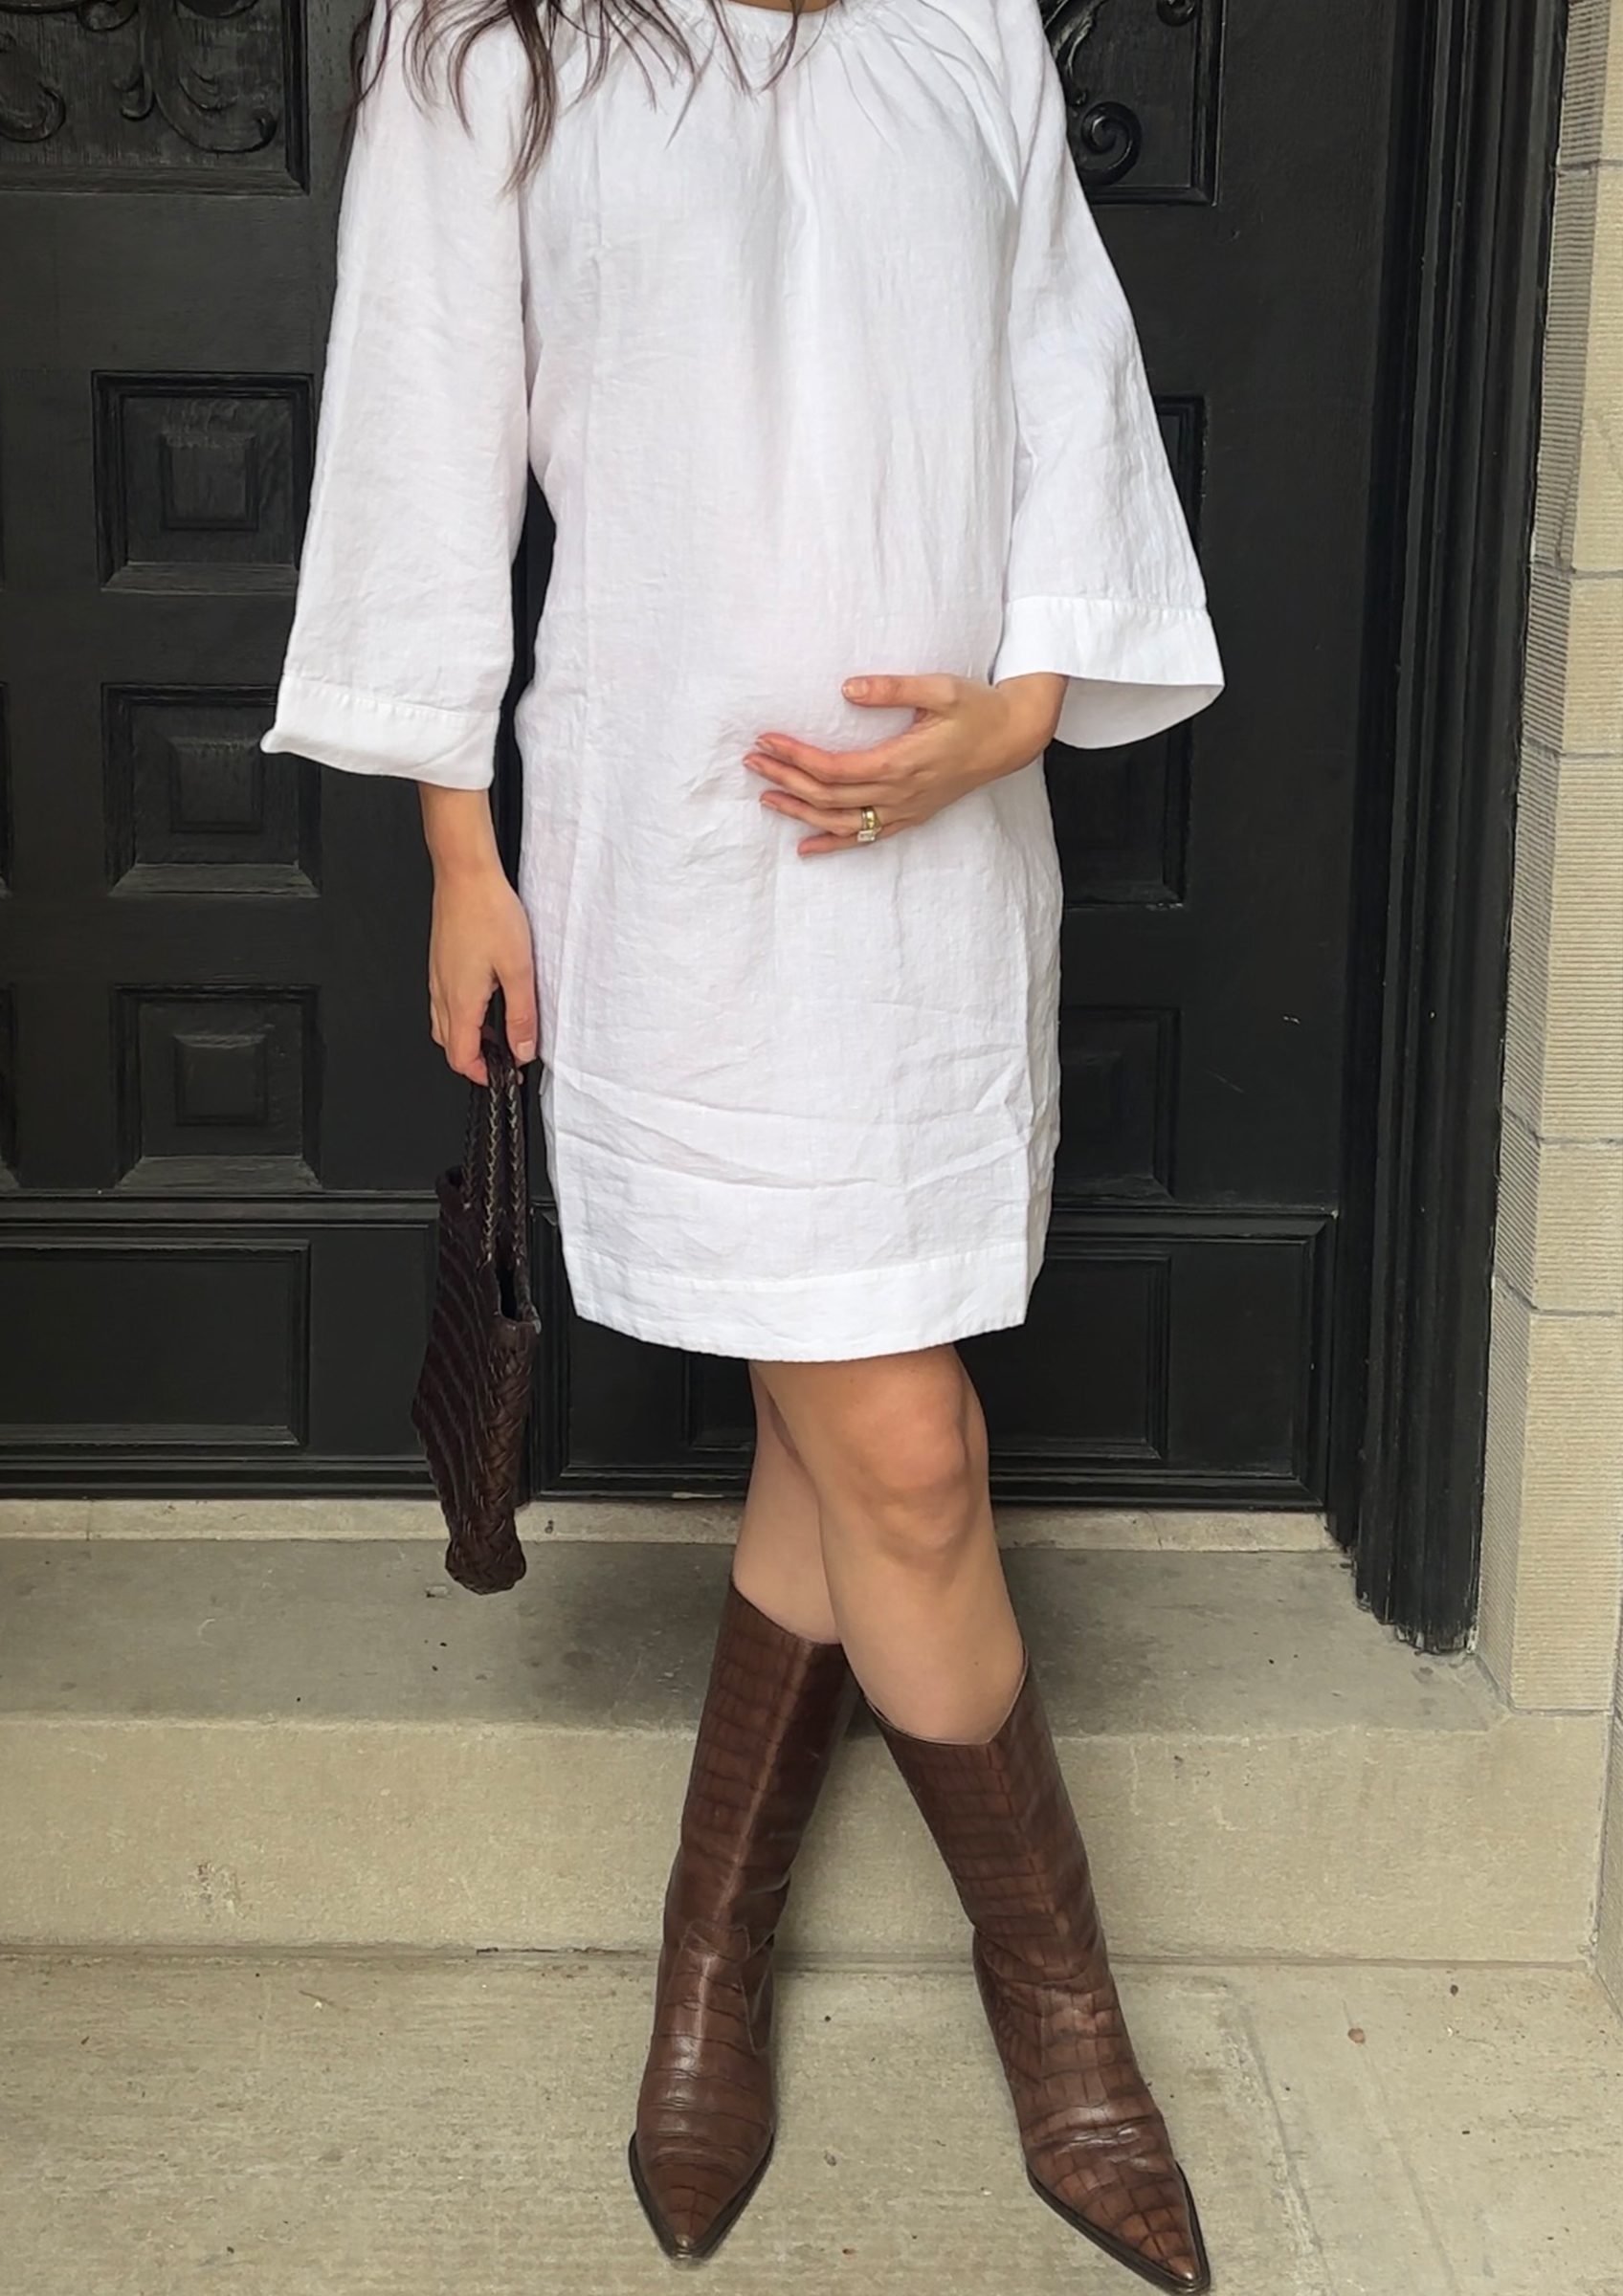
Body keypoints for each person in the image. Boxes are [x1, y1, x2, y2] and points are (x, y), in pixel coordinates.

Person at [261, 0, 1224, 2285]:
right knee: (907, 1452)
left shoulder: (961, 22)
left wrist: (1022, 706)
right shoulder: (485, 38)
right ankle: (1062, 2016)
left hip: (937, 877)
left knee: (836, 1436)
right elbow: (418, 428)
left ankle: (709, 1960)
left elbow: (1065, 377)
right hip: (675, 864)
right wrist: (460, 855)